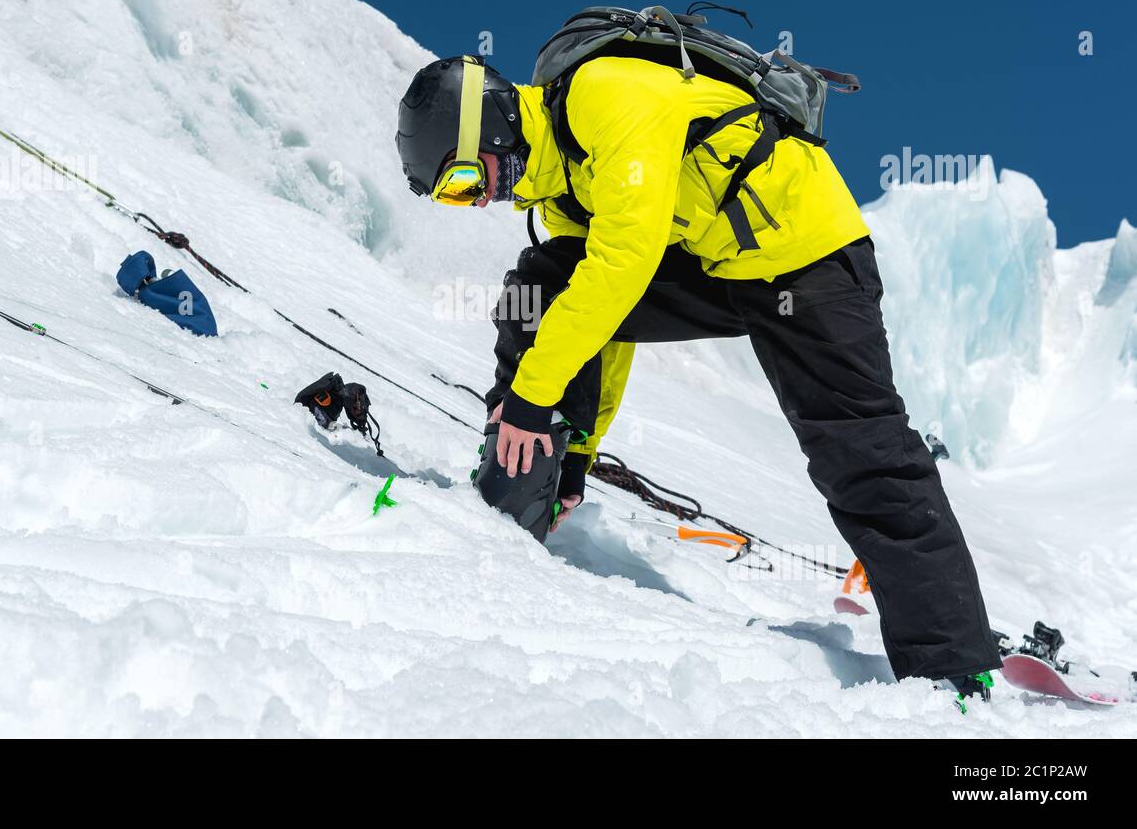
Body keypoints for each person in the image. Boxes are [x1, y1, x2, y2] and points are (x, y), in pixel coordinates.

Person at [395, 52, 1002, 696]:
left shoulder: (605, 96)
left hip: (806, 257)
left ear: (490, 128)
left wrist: (529, 397)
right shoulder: (563, 185)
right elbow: (605, 315)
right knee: (544, 287)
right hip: (716, 266)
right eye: (455, 198)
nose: (479, 199)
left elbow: (622, 267)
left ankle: (951, 671)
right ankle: (516, 505)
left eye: (465, 180)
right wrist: (579, 451)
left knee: (861, 454)